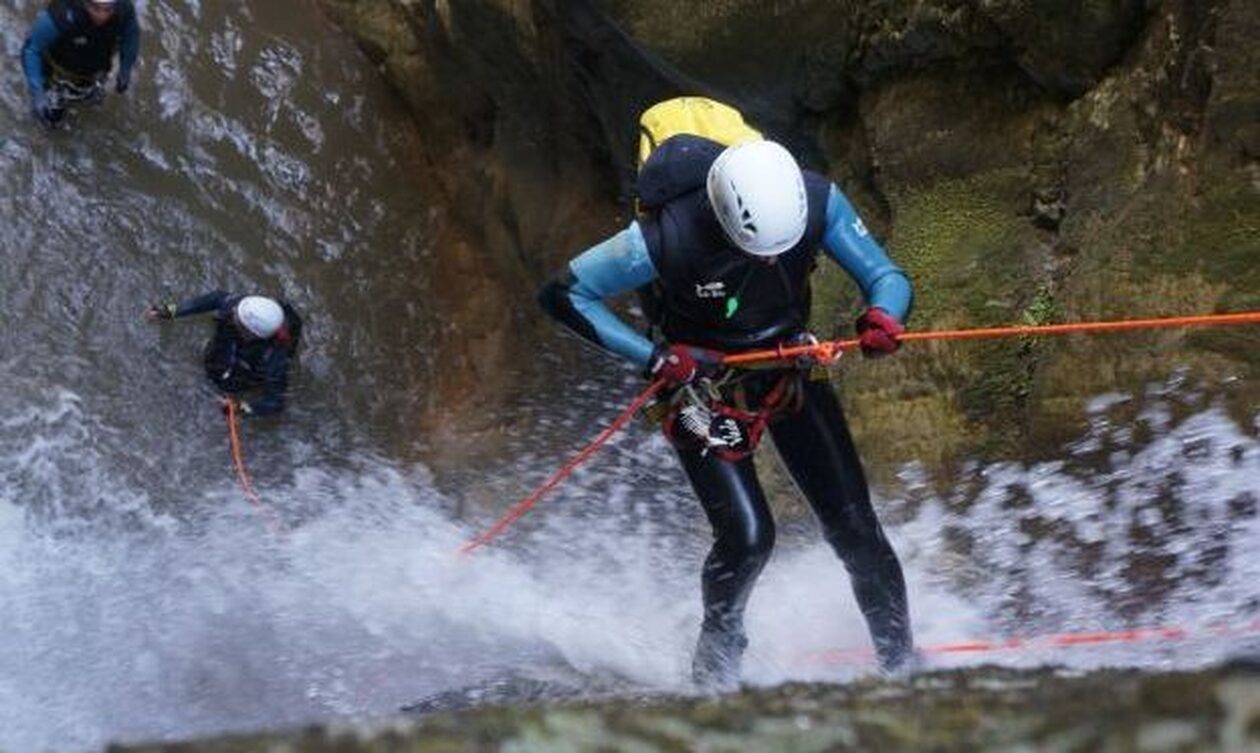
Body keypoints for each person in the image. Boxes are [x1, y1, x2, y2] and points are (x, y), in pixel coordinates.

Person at [538, 134, 915, 689]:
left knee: (856, 529)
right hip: (698, 393)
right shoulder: (660, 240)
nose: (769, 260)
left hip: (789, 370)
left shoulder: (816, 201)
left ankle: (904, 668)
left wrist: (884, 317)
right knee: (748, 535)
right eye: (757, 249)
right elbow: (565, 295)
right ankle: (716, 663)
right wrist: (657, 359)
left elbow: (887, 276)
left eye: (778, 250)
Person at [146, 292, 302, 418]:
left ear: (251, 333)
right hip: (226, 355)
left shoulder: (274, 359)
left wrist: (241, 408)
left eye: (238, 320)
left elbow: (275, 403)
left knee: (229, 378)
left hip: (245, 372)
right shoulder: (239, 307)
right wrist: (171, 310)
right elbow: (215, 298)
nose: (232, 312)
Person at [21, 0, 141, 129]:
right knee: (49, 121)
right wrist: (37, 92)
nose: (102, 16)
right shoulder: (63, 14)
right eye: (95, 8)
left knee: (93, 111)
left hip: (93, 73)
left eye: (108, 9)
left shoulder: (124, 9)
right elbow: (31, 50)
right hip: (55, 72)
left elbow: (131, 35)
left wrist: (125, 70)